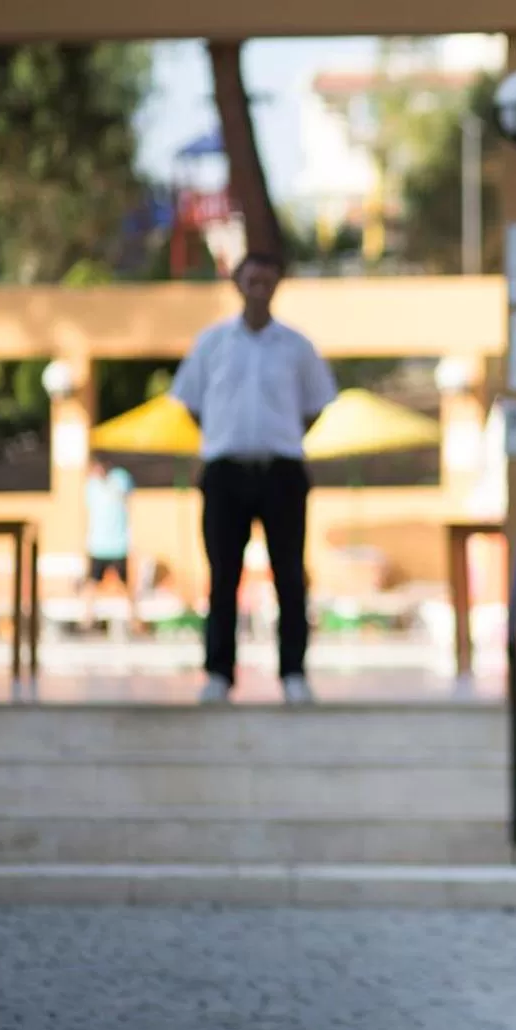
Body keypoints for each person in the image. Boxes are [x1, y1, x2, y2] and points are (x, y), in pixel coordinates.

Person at [171, 251, 337, 705]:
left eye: (267, 278)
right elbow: (190, 401)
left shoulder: (297, 347)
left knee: (289, 576)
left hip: (281, 472)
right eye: (251, 278)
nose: (259, 286)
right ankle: (219, 674)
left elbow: (316, 403)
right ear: (238, 284)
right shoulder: (212, 344)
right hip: (225, 472)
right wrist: (221, 435)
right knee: (224, 576)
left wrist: (281, 436)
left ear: (277, 284)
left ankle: (294, 673)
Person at [83, 457, 134, 593]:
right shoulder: (92, 485)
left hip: (119, 544)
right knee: (92, 581)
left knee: (126, 582)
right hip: (98, 544)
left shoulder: (120, 478)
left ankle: (133, 613)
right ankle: (87, 614)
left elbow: (127, 496)